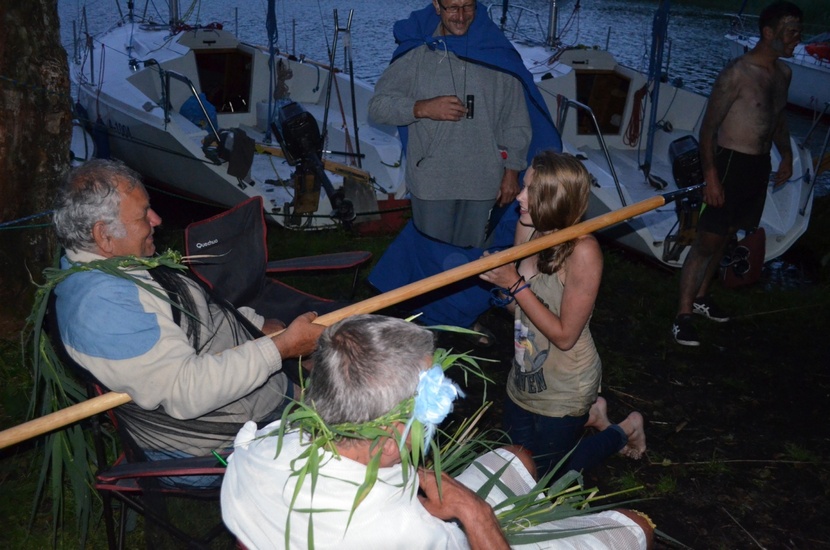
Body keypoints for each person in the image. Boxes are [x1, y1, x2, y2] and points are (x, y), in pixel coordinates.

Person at [221, 314, 655, 549]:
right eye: (432, 396)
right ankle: (618, 440)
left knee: (516, 457)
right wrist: (474, 515)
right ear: (393, 434)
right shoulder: (405, 532)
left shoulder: (260, 444)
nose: (444, 401)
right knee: (635, 527)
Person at [51, 159, 323, 479]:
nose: (157, 219)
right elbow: (187, 391)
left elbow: (198, 313)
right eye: (142, 216)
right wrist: (281, 349)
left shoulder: (114, 262)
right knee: (363, 437)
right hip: (218, 440)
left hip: (257, 397)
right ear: (104, 235)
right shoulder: (103, 309)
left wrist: (256, 326)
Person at [367, 1, 562, 338]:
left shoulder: (496, 53)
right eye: (452, 7)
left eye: (467, 6)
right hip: (432, 180)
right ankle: (426, 322)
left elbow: (517, 123)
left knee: (476, 259)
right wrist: (422, 108)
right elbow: (379, 106)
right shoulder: (418, 53)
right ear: (437, 6)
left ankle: (456, 316)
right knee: (432, 254)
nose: (460, 15)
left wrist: (512, 171)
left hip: (484, 181)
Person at [479, 151, 646, 480]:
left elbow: (565, 335)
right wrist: (501, 290)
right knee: (517, 466)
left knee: (546, 476)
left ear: (554, 198)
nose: (520, 197)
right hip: (526, 372)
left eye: (531, 191)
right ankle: (595, 415)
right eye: (524, 186)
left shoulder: (583, 251)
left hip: (568, 381)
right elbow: (522, 309)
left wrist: (513, 282)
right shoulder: (527, 227)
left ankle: (624, 429)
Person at [672, 1, 802, 346]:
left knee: (728, 234)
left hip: (758, 166)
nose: (797, 39)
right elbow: (707, 130)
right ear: (768, 33)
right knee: (706, 241)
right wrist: (711, 176)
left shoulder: (783, 74)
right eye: (791, 31)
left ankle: (701, 296)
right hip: (728, 163)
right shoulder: (737, 74)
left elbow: (778, 119)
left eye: (798, 32)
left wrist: (786, 154)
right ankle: (682, 316)